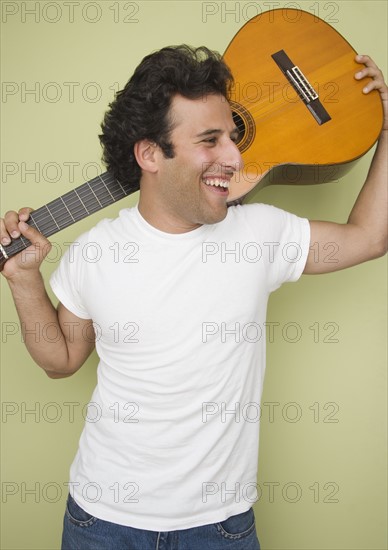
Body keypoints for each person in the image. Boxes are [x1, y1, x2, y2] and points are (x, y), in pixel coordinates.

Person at [0, 45, 387, 550]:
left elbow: (369, 237)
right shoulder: (95, 254)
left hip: (221, 527)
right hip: (103, 521)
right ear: (150, 154)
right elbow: (61, 360)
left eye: (232, 135)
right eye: (210, 140)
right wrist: (23, 278)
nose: (235, 156)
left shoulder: (260, 234)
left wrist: (384, 131)